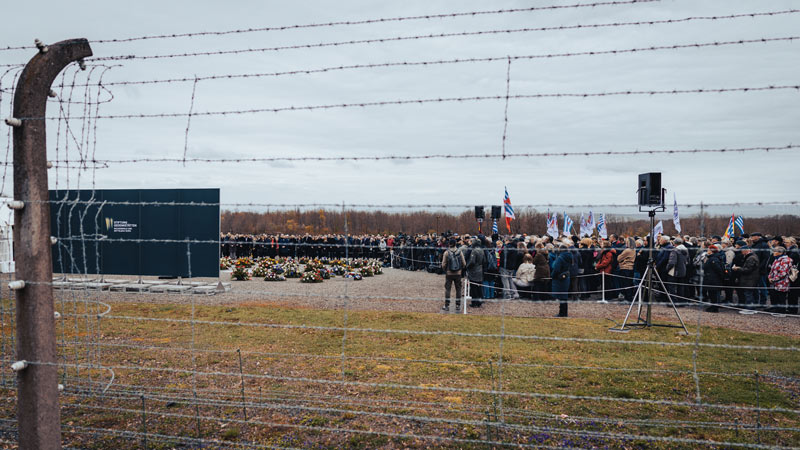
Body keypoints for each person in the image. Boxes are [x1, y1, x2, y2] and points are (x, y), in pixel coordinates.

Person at [441, 239, 466, 312]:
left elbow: (443, 264)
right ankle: (458, 305)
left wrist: (445, 270)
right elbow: (464, 263)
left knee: (448, 289)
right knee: (458, 289)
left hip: (449, 273)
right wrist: (460, 269)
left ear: (449, 244)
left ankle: (447, 305)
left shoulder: (446, 252)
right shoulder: (460, 252)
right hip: (458, 273)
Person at [767, 246, 793, 314]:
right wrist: (769, 277)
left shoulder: (786, 260)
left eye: (775, 251)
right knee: (775, 296)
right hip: (774, 282)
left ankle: (781, 311)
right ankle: (776, 309)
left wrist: (773, 279)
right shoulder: (777, 259)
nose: (773, 252)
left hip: (782, 282)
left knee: (781, 297)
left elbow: (783, 273)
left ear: (780, 253)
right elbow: (772, 270)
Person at [702, 245, 726, 312]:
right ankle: (713, 306)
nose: (707, 251)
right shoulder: (711, 258)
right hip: (710, 278)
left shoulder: (714, 259)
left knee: (714, 294)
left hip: (713, 279)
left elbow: (718, 270)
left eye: (708, 250)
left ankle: (714, 307)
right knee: (711, 294)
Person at [551, 244, 573, 317]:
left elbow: (556, 269)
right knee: (564, 296)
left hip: (560, 278)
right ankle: (563, 312)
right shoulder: (570, 256)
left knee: (562, 297)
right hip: (566, 277)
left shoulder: (560, 258)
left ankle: (562, 313)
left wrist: (552, 275)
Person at [466, 239, 485, 307]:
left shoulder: (474, 251)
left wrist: (467, 266)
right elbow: (484, 261)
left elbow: (472, 262)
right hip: (480, 269)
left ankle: (474, 303)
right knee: (479, 287)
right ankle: (479, 301)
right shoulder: (482, 250)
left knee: (473, 287)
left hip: (474, 271)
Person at [617, 237, 636, 302]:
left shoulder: (627, 250)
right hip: (631, 268)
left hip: (625, 267)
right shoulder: (634, 250)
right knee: (629, 283)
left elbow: (619, 258)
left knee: (625, 283)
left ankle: (628, 298)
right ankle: (629, 297)